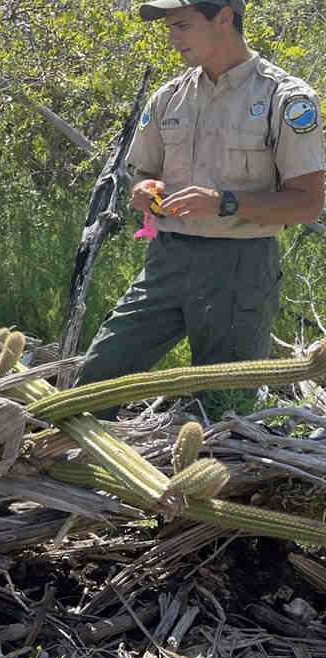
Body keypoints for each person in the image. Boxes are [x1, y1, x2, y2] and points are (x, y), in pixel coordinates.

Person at [75, 0, 323, 416]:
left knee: (227, 413)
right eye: (170, 27)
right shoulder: (169, 97)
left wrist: (223, 203)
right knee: (93, 385)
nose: (173, 38)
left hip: (239, 268)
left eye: (183, 25)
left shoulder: (286, 98)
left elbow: (308, 204)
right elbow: (141, 174)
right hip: (166, 263)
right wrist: (143, 190)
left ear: (224, 16)